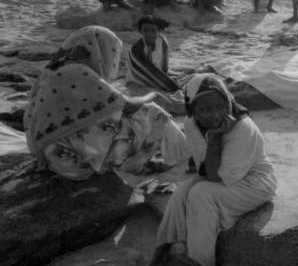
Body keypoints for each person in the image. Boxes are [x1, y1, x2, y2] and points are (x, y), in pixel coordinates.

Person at [131, 73, 277, 266]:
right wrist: (212, 143)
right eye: (205, 109)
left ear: (229, 102)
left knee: (201, 194)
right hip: (217, 173)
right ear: (192, 110)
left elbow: (218, 177)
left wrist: (216, 139)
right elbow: (205, 168)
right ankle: (160, 253)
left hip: (256, 182)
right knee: (181, 193)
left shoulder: (242, 129)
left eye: (220, 106)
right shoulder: (191, 124)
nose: (215, 115)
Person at [23, 25, 184, 180]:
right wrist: (152, 95)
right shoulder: (78, 71)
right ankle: (169, 159)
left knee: (106, 118)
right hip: (75, 167)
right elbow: (128, 106)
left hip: (52, 157)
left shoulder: (52, 68)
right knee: (152, 112)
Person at [127, 16, 180, 92]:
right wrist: (171, 86)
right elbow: (146, 71)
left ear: (158, 31)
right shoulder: (136, 49)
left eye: (153, 30)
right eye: (146, 30)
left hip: (159, 78)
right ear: (140, 31)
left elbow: (164, 67)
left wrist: (167, 80)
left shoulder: (162, 42)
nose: (149, 34)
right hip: (137, 82)